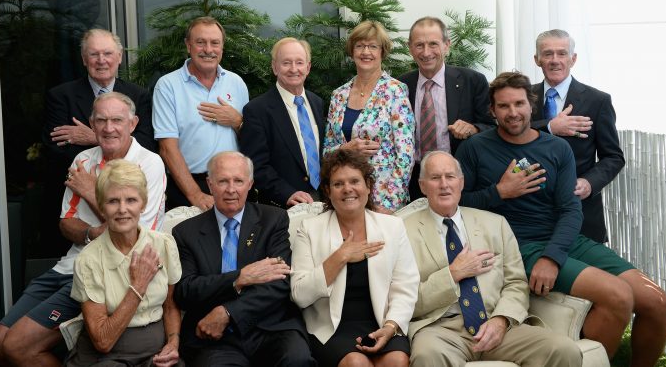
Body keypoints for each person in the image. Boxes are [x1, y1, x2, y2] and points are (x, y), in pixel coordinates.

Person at [456, 71, 666, 365]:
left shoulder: (556, 147)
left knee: (658, 302)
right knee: (619, 296)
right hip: (518, 245)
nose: (513, 113)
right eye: (503, 106)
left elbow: (571, 209)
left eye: (519, 104)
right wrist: (500, 192)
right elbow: (458, 204)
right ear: (492, 111)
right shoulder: (475, 148)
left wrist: (553, 257)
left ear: (532, 106)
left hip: (564, 238)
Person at [0, 92, 166, 366]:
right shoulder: (83, 160)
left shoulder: (149, 164)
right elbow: (66, 223)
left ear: (133, 123)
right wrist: (91, 233)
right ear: (91, 125)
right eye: (101, 120)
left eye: (117, 120)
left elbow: (133, 233)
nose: (109, 128)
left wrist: (91, 190)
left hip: (105, 271)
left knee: (17, 346)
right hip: (69, 264)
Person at [404, 150, 581, 366]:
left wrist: (501, 320)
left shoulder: (495, 223)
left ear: (461, 182)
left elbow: (516, 283)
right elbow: (404, 300)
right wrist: (453, 274)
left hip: (498, 326)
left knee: (564, 350)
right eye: (435, 178)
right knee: (427, 356)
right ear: (422, 186)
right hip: (440, 330)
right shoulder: (402, 231)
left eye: (450, 177)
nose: (444, 184)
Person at [172, 151, 313, 367]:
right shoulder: (186, 232)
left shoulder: (273, 220)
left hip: (271, 327)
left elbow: (279, 282)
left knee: (297, 359)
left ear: (250, 184)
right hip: (214, 337)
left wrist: (228, 312)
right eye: (223, 181)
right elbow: (186, 291)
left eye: (238, 181)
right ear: (210, 184)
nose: (231, 189)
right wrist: (239, 278)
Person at [291, 149, 418, 367]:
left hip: (382, 322)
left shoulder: (392, 226)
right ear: (328, 191)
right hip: (331, 328)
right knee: (357, 363)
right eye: (338, 184)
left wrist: (390, 327)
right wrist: (341, 256)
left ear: (368, 186)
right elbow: (300, 295)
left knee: (396, 361)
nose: (347, 189)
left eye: (354, 181)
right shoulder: (309, 229)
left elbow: (405, 286)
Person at [41, 28, 155, 256]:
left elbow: (146, 143)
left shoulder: (139, 95)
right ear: (84, 59)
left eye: (108, 53)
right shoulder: (61, 96)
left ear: (119, 57)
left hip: (127, 197)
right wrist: (111, 142)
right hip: (78, 206)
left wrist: (93, 137)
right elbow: (55, 148)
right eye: (94, 54)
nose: (101, 60)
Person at [66, 159, 182, 366]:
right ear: (101, 207)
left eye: (131, 200)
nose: (122, 209)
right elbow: (103, 341)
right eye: (113, 201)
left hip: (155, 354)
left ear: (143, 204)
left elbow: (170, 306)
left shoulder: (163, 244)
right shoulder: (89, 259)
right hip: (108, 357)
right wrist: (138, 286)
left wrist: (173, 343)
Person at [530, 29, 625, 243]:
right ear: (537, 60)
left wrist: (589, 183)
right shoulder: (522, 97)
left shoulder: (597, 100)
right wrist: (550, 127)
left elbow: (613, 157)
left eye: (562, 53)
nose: (555, 60)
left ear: (573, 59)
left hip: (581, 214)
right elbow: (507, 135)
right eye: (547, 54)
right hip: (530, 214)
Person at [153, 16, 249, 211]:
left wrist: (237, 121)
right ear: (188, 45)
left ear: (222, 47)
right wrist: (195, 194)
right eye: (200, 42)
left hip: (233, 186)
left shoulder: (236, 82)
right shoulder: (168, 86)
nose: (208, 50)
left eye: (215, 43)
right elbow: (167, 149)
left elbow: (252, 137)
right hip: (188, 186)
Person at [399, 17, 494, 201]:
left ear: (446, 45)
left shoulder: (472, 81)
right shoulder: (400, 86)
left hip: (457, 178)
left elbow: (491, 127)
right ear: (410, 48)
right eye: (419, 45)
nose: (426, 53)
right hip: (414, 180)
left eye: (433, 44)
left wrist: (473, 129)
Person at [323, 20, 415, 213]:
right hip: (345, 196)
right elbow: (326, 153)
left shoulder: (395, 91)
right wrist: (345, 148)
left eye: (373, 46)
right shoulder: (338, 95)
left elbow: (405, 155)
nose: (366, 52)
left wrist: (390, 203)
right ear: (352, 51)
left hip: (383, 199)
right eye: (360, 46)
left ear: (382, 52)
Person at [240, 37, 324, 208]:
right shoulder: (257, 110)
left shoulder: (317, 102)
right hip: (283, 207)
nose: (294, 69)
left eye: (299, 62)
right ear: (274, 67)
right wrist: (286, 193)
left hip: (324, 199)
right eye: (286, 63)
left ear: (308, 67)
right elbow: (255, 165)